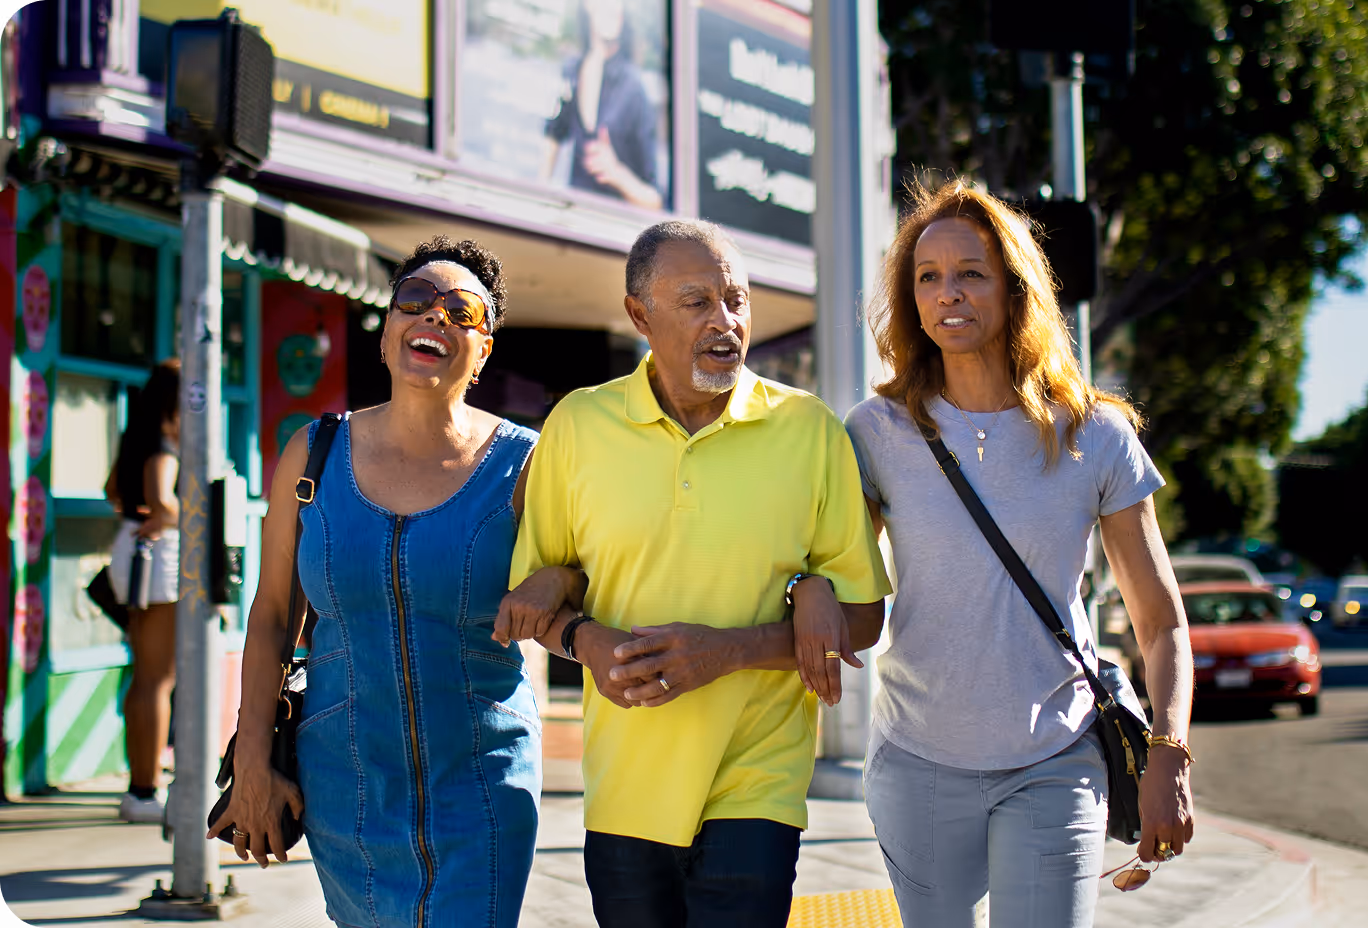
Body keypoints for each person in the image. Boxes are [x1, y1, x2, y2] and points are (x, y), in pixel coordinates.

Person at [498, 219, 892, 927]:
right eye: (697, 301)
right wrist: (585, 641)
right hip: (625, 785)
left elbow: (863, 616)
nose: (725, 321)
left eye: (737, 300)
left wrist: (737, 647)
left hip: (758, 782)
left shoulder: (810, 431)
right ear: (639, 315)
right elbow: (541, 598)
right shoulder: (578, 426)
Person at [843, 180, 1196, 928]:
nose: (949, 294)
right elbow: (842, 582)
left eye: (971, 272)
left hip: (1055, 761)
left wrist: (1168, 749)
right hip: (917, 759)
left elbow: (1161, 622)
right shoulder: (875, 432)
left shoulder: (1094, 434)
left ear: (1014, 285)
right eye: (928, 277)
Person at [208, 237, 541, 928]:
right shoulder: (313, 452)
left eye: (462, 312)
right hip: (344, 785)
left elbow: (579, 579)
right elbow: (272, 616)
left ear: (484, 350)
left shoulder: (527, 466)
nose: (434, 319)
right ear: (387, 334)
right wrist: (252, 761)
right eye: (414, 303)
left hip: (482, 782)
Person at [104, 359, 181, 824]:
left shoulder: (136, 438)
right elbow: (164, 501)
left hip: (133, 554)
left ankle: (142, 782)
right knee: (157, 679)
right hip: (156, 561)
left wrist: (146, 514)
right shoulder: (163, 445)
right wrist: (185, 512)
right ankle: (143, 790)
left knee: (145, 675)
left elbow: (114, 490)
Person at [544, 0, 663, 209]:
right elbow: (554, 133)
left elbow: (655, 201)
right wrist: (540, 197)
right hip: (572, 220)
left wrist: (617, 173)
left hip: (611, 229)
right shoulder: (573, 69)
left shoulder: (634, 89)